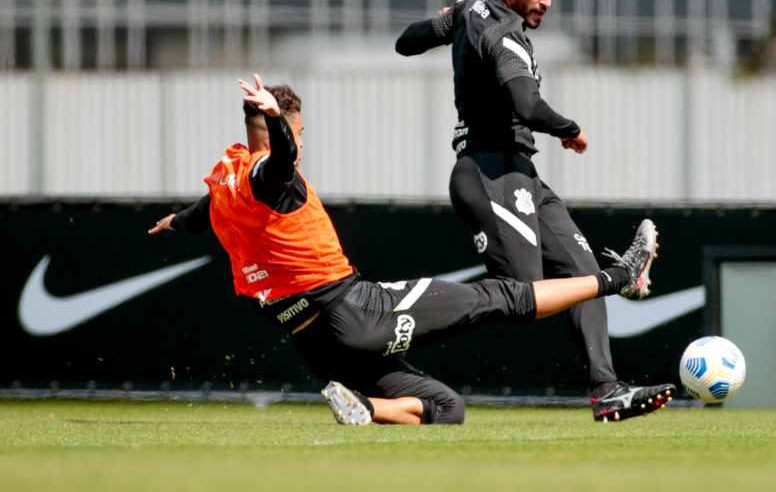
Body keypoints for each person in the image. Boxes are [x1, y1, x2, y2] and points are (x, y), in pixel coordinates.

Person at [148, 74, 672, 425]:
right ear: (279, 128)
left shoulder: (226, 180)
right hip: (354, 310)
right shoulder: (269, 173)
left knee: (448, 407)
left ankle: (364, 409)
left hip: (313, 341)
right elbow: (281, 160)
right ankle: (620, 277)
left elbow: (202, 214)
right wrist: (282, 127)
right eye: (300, 132)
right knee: (502, 296)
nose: (303, 142)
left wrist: (175, 221)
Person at [395, 0, 674, 422]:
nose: (546, 1)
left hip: (521, 172)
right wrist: (571, 129)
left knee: (584, 275)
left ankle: (606, 388)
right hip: (490, 172)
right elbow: (527, 106)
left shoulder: (469, 8)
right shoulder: (504, 35)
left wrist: (450, 19)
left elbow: (407, 41)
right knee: (523, 295)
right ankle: (393, 321)